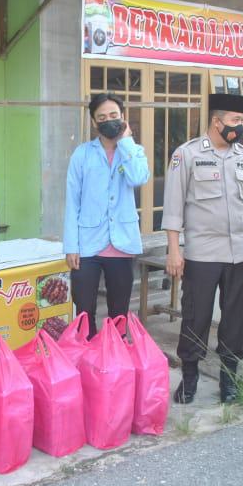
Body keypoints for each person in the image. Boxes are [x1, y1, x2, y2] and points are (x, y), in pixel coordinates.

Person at [162, 93, 243, 404]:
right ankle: (190, 378)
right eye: (234, 121)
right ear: (216, 121)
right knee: (197, 317)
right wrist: (173, 250)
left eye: (242, 121)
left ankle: (229, 379)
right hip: (202, 254)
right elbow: (173, 206)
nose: (239, 127)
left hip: (242, 255)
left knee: (236, 319)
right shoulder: (187, 155)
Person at [63, 93, 150, 339]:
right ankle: (86, 356)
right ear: (94, 122)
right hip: (88, 245)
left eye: (114, 115)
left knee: (118, 312)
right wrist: (71, 246)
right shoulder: (82, 154)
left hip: (122, 244)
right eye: (102, 117)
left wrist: (126, 142)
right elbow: (73, 201)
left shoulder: (133, 151)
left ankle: (115, 360)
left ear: (122, 118)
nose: (108, 121)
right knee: (84, 309)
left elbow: (138, 178)